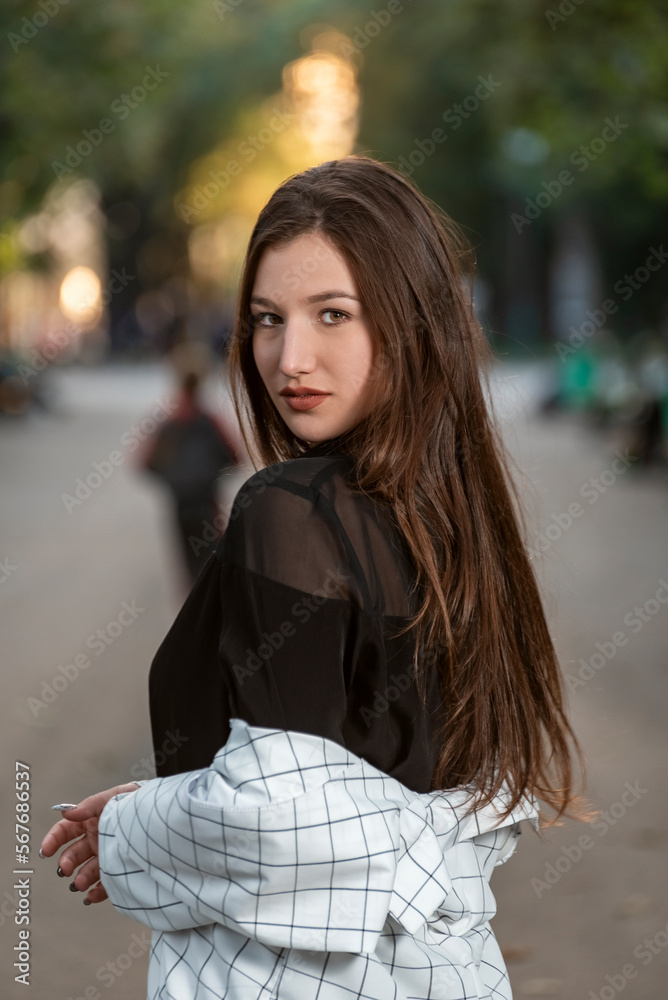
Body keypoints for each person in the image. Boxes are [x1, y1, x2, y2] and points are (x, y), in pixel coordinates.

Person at [40, 156, 588, 1000]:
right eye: (267, 318)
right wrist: (195, 797)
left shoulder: (290, 511)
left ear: (411, 325)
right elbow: (367, 792)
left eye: (334, 314)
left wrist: (137, 828)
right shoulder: (454, 520)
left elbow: (285, 823)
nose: (289, 356)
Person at [140, 363, 243, 584]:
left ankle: (192, 607)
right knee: (211, 560)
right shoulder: (210, 419)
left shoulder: (168, 420)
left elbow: (146, 462)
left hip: (179, 502)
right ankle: (208, 609)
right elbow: (235, 456)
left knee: (187, 562)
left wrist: (172, 479)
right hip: (207, 500)